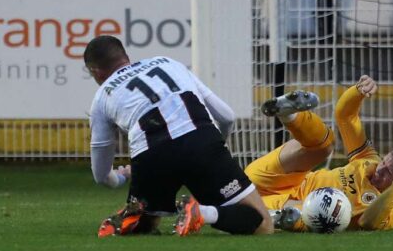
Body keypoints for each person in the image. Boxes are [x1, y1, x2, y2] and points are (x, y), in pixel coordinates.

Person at [84, 35, 273, 237]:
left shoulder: (102, 96)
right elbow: (227, 116)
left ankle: (137, 217)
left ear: (96, 72)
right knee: (262, 224)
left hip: (151, 156)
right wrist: (216, 148)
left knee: (145, 226)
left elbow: (101, 175)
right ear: (126, 56)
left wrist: (119, 177)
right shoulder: (168, 63)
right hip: (201, 141)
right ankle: (202, 213)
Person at [240, 78, 393, 232]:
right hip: (269, 179)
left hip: (277, 206)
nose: (379, 169)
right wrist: (358, 91)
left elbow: (368, 223)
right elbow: (345, 115)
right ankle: (289, 114)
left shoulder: (388, 213)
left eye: (388, 173)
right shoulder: (367, 159)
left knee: (321, 212)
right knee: (325, 146)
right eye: (384, 163)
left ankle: (277, 218)